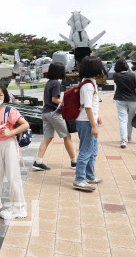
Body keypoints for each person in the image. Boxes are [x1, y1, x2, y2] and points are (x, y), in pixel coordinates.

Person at [0, 81, 30, 220]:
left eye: (0, 95)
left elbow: (25, 124)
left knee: (13, 176)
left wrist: (11, 132)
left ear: (5, 96)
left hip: (9, 145)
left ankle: (19, 207)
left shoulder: (10, 111)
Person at [33, 62, 77, 171]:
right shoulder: (56, 83)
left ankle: (38, 161)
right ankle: (74, 162)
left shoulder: (49, 82)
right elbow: (55, 99)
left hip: (46, 113)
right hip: (54, 113)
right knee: (67, 137)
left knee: (47, 137)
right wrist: (66, 103)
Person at [73, 56, 105, 192]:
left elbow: (92, 104)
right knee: (86, 151)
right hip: (86, 122)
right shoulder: (87, 85)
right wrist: (93, 126)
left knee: (92, 151)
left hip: (89, 120)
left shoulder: (90, 82)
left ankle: (90, 176)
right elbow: (87, 107)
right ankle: (79, 179)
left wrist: (96, 117)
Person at [113, 59, 136, 148]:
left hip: (120, 99)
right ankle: (129, 136)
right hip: (132, 100)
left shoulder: (116, 76)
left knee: (122, 120)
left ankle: (123, 140)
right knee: (130, 119)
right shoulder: (133, 75)